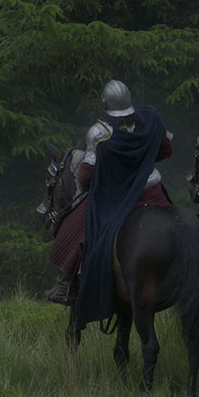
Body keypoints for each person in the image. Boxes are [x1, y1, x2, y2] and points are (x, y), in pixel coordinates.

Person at [59, 80, 174, 332]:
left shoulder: (99, 133)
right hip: (155, 195)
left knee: (87, 235)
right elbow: (166, 151)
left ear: (105, 104)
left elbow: (86, 178)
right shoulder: (151, 119)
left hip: (118, 201)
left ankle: (72, 283)